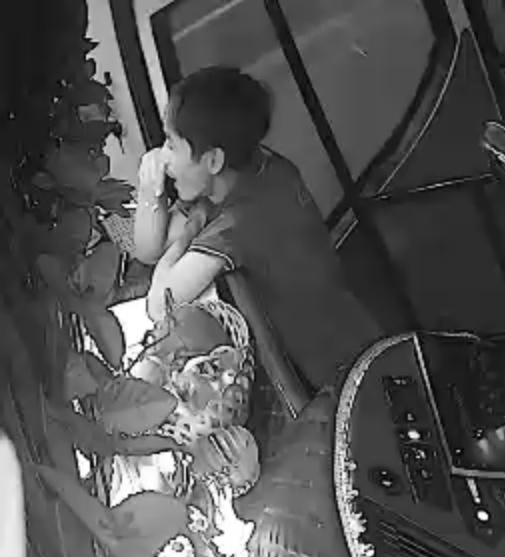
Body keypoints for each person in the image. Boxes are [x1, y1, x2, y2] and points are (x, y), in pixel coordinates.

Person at [131, 66, 380, 390]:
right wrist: (150, 190)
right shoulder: (251, 166)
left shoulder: (241, 221)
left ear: (213, 160)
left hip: (328, 372)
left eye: (171, 144)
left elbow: (160, 306)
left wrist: (189, 231)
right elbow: (149, 250)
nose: (162, 157)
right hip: (349, 327)